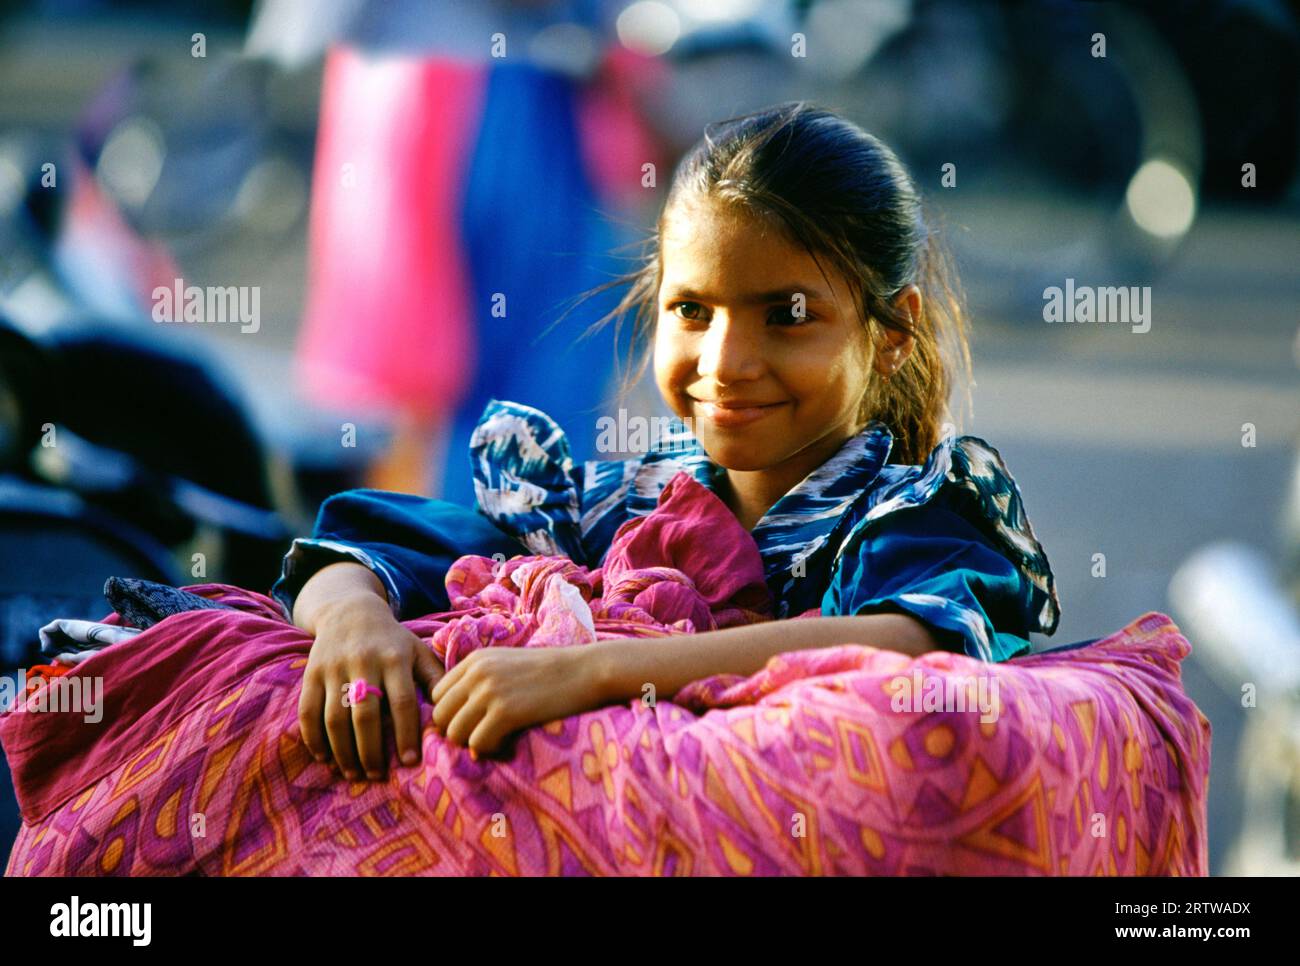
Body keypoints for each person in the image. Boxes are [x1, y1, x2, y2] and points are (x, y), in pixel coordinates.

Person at [272, 103, 1060, 781]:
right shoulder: (616, 511)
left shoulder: (922, 513)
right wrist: (352, 625)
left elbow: (907, 642)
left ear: (893, 333)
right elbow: (361, 545)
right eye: (692, 311)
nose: (725, 364)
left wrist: (595, 669)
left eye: (787, 315)